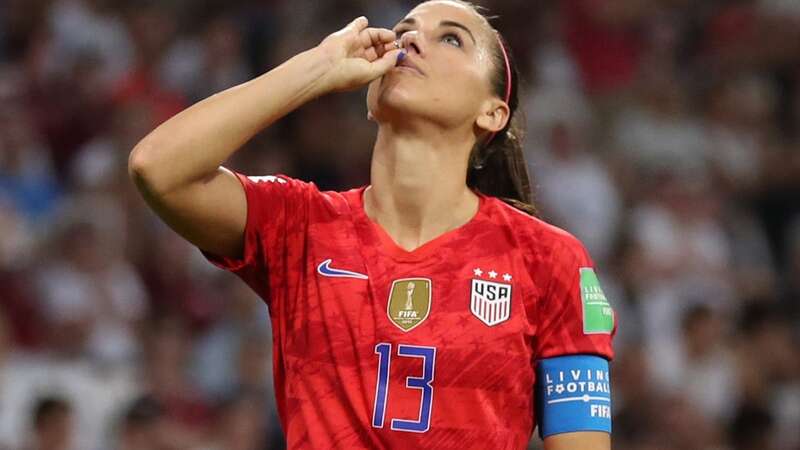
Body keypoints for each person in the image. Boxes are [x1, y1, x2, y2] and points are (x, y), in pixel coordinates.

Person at [129, 1, 617, 448]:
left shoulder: (549, 259)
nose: (409, 41)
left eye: (451, 39)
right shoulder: (300, 225)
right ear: (368, 100)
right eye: (403, 30)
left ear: (493, 113)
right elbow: (158, 168)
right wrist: (316, 67)